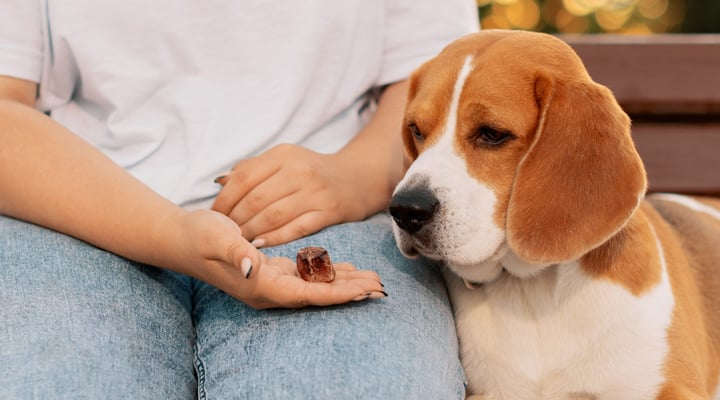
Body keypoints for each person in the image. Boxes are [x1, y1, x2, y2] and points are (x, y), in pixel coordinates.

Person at [0, 1, 479, 398]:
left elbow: (434, 78)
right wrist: (171, 232)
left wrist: (353, 176)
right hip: (78, 213)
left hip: (326, 215)